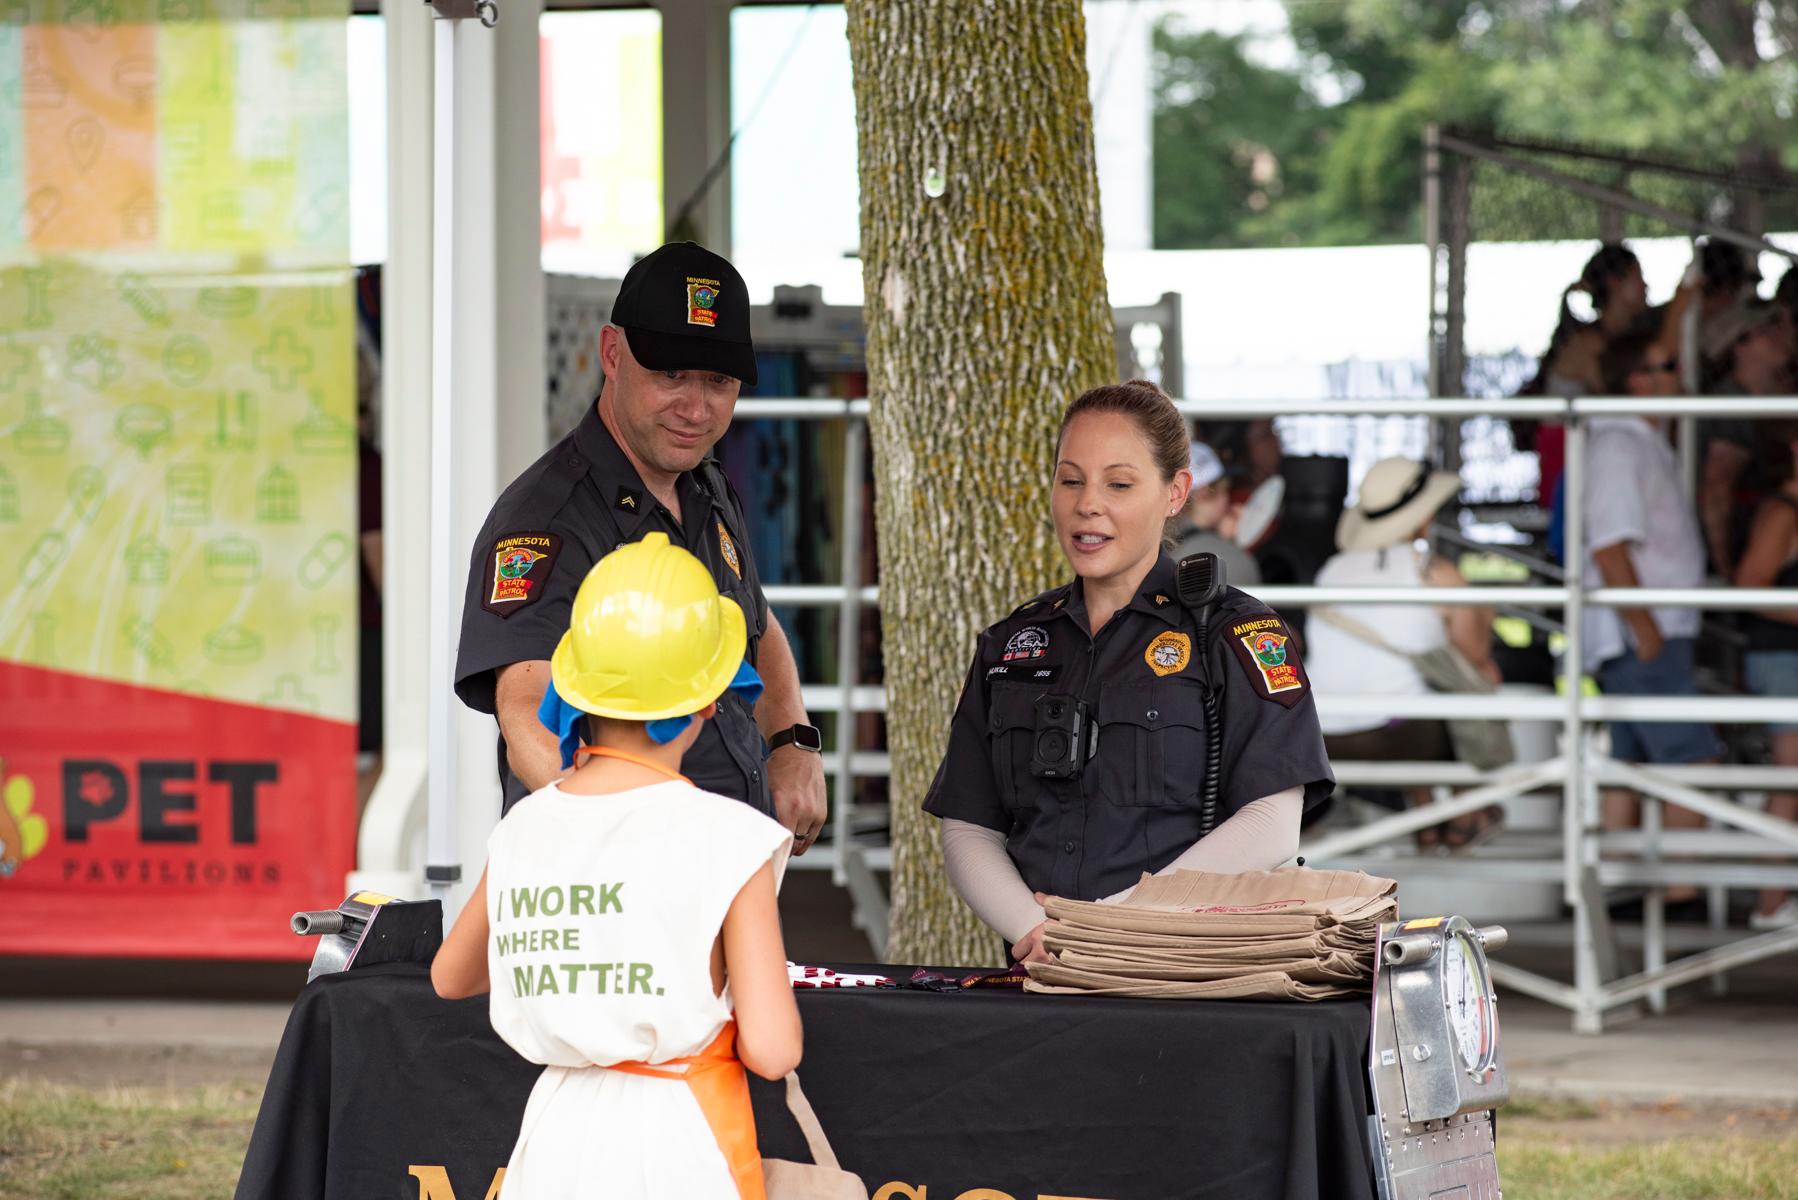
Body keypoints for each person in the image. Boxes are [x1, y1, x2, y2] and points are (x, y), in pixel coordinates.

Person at [433, 532, 800, 1197]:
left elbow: (450, 977)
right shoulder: (731, 838)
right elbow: (775, 1051)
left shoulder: (525, 826)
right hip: (683, 1147)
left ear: (577, 690)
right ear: (709, 699)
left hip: (549, 1141)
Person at [923, 381, 1334, 962]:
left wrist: (1115, 928)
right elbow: (968, 824)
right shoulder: (1012, 643)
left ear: (1175, 492)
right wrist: (1035, 932)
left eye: (1119, 484)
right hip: (1041, 975)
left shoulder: (1235, 631)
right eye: (1071, 480)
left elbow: (1273, 820)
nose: (1088, 503)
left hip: (1184, 983)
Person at [455, 242, 827, 853]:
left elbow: (754, 621)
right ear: (611, 353)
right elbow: (529, 723)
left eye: (719, 380)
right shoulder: (547, 521)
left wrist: (792, 742)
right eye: (670, 373)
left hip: (728, 875)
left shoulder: (707, 485)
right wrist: (643, 857)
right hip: (613, 894)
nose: (696, 407)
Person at [1305, 457, 1504, 850]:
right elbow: (1476, 656)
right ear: (1422, 515)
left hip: (1325, 734)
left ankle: (1426, 818)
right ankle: (1468, 812)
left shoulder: (1332, 570)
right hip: (1400, 735)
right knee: (1454, 696)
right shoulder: (1434, 572)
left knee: (1408, 695)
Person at [1586, 331, 1720, 878]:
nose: (1679, 376)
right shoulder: (1621, 445)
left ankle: (1618, 886)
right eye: (1666, 365)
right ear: (1635, 382)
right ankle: (1678, 889)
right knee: (1692, 761)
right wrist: (1645, 628)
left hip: (1642, 628)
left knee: (1632, 762)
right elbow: (1610, 544)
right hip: (1641, 631)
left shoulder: (1633, 441)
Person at [1518, 243, 1652, 506]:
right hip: (1568, 466)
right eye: (1639, 278)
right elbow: (1621, 398)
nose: (1646, 287)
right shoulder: (1589, 346)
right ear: (1615, 283)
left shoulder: (1607, 339)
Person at [1732, 420, 1798, 930]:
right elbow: (1751, 587)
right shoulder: (1782, 512)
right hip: (1782, 659)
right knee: (1787, 780)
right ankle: (1770, 905)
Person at [1170, 440, 1260, 588]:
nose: (1229, 500)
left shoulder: (1146, 545)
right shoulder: (1232, 561)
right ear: (1204, 494)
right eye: (1225, 490)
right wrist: (1233, 546)